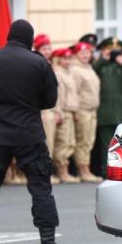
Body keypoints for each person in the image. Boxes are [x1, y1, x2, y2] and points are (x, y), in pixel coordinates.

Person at [0, 19, 72, 244]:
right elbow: (49, 101)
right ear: (30, 39)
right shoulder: (39, 63)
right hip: (29, 133)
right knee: (41, 187)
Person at [94, 38, 122, 176]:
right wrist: (103, 59)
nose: (113, 53)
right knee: (106, 144)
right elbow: (92, 72)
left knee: (119, 144)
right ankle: (105, 171)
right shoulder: (101, 66)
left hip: (121, 110)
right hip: (105, 111)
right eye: (109, 49)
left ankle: (118, 171)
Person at [70, 42, 102, 182]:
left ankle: (85, 168)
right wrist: (76, 110)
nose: (85, 55)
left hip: (92, 110)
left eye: (87, 53)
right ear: (76, 55)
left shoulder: (89, 68)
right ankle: (83, 169)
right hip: (82, 109)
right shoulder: (76, 70)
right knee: (82, 140)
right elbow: (74, 92)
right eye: (82, 53)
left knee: (89, 141)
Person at [34, 34, 60, 185]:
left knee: (52, 144)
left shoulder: (49, 64)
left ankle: (48, 172)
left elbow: (56, 92)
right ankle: (45, 174)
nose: (48, 51)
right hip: (42, 112)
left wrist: (58, 111)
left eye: (49, 48)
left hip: (51, 111)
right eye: (44, 48)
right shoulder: (37, 65)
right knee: (45, 145)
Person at [52, 48, 80, 183]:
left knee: (70, 142)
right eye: (64, 58)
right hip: (63, 112)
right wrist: (59, 112)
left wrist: (75, 112)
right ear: (58, 59)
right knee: (62, 143)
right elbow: (58, 96)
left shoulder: (68, 73)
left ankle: (65, 171)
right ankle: (61, 171)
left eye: (69, 58)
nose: (67, 61)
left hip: (70, 111)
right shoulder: (58, 74)